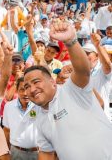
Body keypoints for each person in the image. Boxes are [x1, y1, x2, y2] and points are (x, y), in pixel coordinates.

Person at [23, 21, 112, 160]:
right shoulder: (39, 117)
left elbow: (83, 70)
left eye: (36, 82)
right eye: (26, 87)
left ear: (52, 81)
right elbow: (46, 153)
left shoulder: (72, 90)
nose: (32, 89)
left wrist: (70, 41)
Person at [2, 77, 39, 160]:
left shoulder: (40, 106)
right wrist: (5, 152)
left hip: (37, 153)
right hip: (16, 152)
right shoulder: (9, 106)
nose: (25, 93)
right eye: (22, 89)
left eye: (28, 89)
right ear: (17, 90)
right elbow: (6, 131)